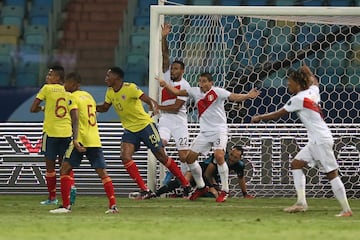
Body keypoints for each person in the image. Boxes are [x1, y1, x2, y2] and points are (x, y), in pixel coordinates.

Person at [251, 64, 352, 217]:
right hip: (316, 140)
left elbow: (278, 114)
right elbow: (315, 83)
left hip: (320, 140)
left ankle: (346, 210)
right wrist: (309, 71)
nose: (287, 85)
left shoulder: (298, 99)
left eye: (289, 82)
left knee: (332, 173)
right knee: (296, 164)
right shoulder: (312, 92)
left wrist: (259, 117)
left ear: (297, 83)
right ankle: (301, 203)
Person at [156, 72, 260, 202]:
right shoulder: (195, 91)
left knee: (219, 156)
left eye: (205, 81)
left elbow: (234, 97)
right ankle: (201, 187)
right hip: (204, 132)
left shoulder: (218, 92)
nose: (202, 84)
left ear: (211, 83)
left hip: (219, 130)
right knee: (189, 159)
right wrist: (165, 84)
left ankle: (225, 191)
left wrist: (248, 96)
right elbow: (177, 93)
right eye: (200, 81)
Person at [96, 67, 191, 199]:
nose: (106, 78)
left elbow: (148, 99)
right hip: (130, 129)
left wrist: (154, 106)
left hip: (145, 126)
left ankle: (185, 184)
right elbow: (105, 108)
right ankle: (145, 189)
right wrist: (90, 107)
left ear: (117, 78)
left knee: (161, 157)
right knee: (125, 156)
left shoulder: (130, 88)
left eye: (108, 76)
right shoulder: (110, 92)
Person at [50, 72, 118, 214]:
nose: (64, 85)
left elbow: (75, 118)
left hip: (80, 139)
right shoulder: (88, 96)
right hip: (94, 139)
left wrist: (75, 139)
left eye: (66, 83)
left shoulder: (71, 97)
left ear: (74, 84)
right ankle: (113, 206)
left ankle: (66, 206)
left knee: (64, 169)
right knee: (102, 173)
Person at [30, 65, 76, 206]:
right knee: (66, 166)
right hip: (66, 132)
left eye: (50, 75)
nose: (47, 77)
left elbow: (32, 109)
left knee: (50, 167)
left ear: (58, 77)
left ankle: (52, 197)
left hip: (51, 133)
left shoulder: (46, 88)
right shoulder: (68, 90)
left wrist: (41, 108)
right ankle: (72, 188)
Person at [155, 145, 255, 199]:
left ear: (240, 158)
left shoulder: (240, 165)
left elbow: (241, 178)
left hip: (210, 178)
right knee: (184, 180)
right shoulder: (220, 157)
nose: (232, 158)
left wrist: (245, 194)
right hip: (200, 171)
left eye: (235, 157)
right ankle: (157, 193)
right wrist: (212, 187)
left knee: (213, 196)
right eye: (232, 155)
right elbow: (207, 173)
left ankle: (180, 195)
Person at [158, 23, 191, 173]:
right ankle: (172, 177)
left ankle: (187, 183)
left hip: (179, 122)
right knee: (160, 145)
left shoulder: (185, 86)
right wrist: (164, 37)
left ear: (182, 71)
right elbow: (165, 56)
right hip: (165, 120)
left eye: (176, 68)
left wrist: (158, 107)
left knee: (183, 156)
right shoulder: (166, 76)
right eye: (172, 68)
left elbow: (176, 108)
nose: (172, 70)